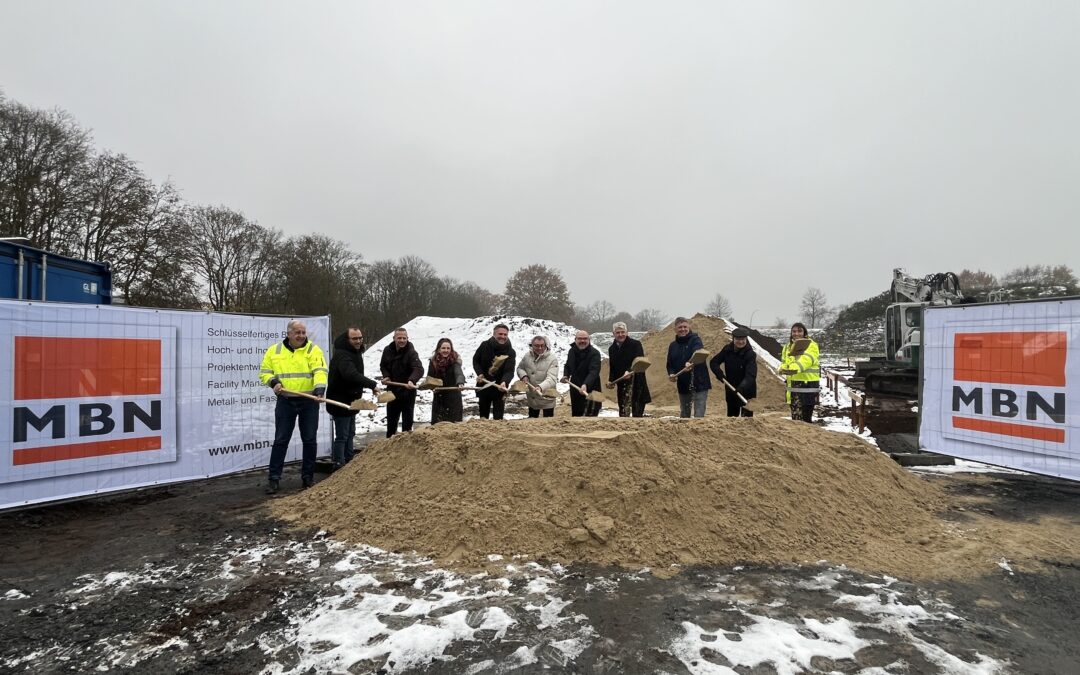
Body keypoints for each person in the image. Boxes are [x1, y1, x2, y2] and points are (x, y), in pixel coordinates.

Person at [259, 319, 328, 494]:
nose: (301, 336)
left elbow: (320, 370)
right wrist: (273, 382)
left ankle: (308, 478)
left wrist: (319, 389)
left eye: (303, 332)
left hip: (309, 401)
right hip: (286, 401)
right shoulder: (274, 351)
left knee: (310, 440)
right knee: (281, 440)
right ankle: (274, 479)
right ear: (288, 333)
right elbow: (265, 372)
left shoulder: (313, 350)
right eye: (297, 332)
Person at [326, 326, 380, 469]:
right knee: (342, 435)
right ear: (347, 339)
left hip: (352, 401)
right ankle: (339, 463)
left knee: (351, 433)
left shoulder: (356, 352)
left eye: (360, 338)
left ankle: (349, 460)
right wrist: (372, 384)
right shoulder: (343, 355)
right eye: (354, 338)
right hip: (340, 402)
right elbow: (350, 374)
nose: (358, 341)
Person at [380, 327, 423, 437]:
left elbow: (418, 368)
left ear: (407, 338)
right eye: (399, 338)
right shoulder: (387, 350)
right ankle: (389, 448)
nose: (402, 340)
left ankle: (405, 448)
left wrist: (412, 380)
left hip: (407, 391)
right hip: (392, 392)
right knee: (391, 423)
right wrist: (386, 376)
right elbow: (383, 365)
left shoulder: (411, 352)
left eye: (404, 338)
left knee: (407, 426)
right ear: (394, 338)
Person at [666, 317, 710, 418]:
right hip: (683, 383)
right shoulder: (673, 346)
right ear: (675, 329)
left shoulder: (695, 339)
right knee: (684, 413)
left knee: (699, 414)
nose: (683, 329)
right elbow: (670, 364)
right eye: (680, 327)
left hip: (699, 382)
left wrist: (690, 362)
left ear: (689, 327)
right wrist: (671, 373)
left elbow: (698, 351)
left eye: (685, 326)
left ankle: (698, 432)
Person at [709, 327, 757, 417]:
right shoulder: (727, 350)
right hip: (731, 388)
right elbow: (714, 362)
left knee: (746, 419)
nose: (740, 342)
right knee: (731, 417)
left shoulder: (750, 354)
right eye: (738, 339)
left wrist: (742, 387)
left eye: (743, 339)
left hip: (747, 390)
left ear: (746, 339)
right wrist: (720, 374)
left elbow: (751, 375)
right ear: (733, 339)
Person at [606, 322, 651, 417]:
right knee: (623, 412)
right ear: (613, 334)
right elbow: (613, 367)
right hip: (622, 384)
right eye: (618, 332)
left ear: (627, 332)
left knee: (637, 413)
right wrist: (611, 380)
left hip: (637, 382)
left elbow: (639, 360)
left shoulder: (635, 344)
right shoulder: (612, 349)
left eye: (623, 332)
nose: (620, 335)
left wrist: (629, 370)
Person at [472, 323, 516, 419]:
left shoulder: (510, 352)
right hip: (484, 385)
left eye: (505, 335)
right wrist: (480, 373)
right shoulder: (484, 346)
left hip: (500, 387)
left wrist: (505, 381)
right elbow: (476, 361)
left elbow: (509, 371)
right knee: (483, 416)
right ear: (494, 334)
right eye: (500, 334)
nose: (502, 337)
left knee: (498, 417)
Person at [779, 322, 820, 423]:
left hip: (807, 386)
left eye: (799, 331)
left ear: (804, 333)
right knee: (796, 419)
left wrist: (793, 368)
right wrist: (782, 368)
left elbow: (806, 359)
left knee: (805, 419)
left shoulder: (811, 345)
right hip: (793, 386)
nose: (796, 333)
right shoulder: (788, 346)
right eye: (794, 331)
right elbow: (785, 361)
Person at [517, 335, 559, 418]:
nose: (539, 348)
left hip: (547, 396)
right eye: (536, 346)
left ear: (545, 345)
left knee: (548, 422)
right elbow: (520, 368)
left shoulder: (552, 359)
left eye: (542, 345)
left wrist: (540, 387)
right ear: (532, 345)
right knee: (532, 421)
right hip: (532, 396)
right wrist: (523, 376)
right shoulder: (527, 356)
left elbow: (552, 378)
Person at [562, 330, 602, 417]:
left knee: (590, 416)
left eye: (585, 339)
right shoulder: (572, 351)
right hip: (575, 388)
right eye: (580, 339)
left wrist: (586, 384)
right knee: (576, 414)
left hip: (591, 389)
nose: (582, 341)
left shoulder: (595, 353)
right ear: (575, 339)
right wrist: (566, 375)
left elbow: (594, 372)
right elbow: (568, 365)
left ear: (589, 340)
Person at [428, 337, 465, 424]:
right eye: (443, 348)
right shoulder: (433, 362)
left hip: (454, 397)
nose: (446, 350)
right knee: (438, 425)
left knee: (454, 425)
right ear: (439, 349)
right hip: (439, 397)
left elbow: (458, 373)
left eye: (448, 348)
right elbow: (430, 378)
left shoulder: (455, 361)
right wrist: (432, 387)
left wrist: (460, 382)